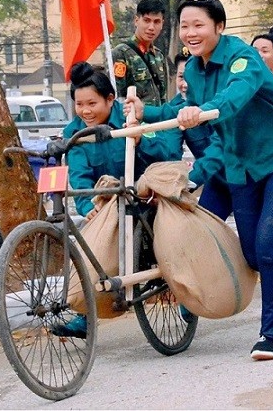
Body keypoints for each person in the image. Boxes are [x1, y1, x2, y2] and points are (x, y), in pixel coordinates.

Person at [127, 0, 273, 360]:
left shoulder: (242, 58)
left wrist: (203, 110)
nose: (190, 34)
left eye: (199, 25)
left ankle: (271, 335)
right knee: (251, 254)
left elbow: (235, 96)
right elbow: (184, 107)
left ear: (219, 27)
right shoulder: (194, 71)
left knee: (264, 244)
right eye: (184, 26)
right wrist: (147, 113)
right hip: (241, 166)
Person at [52, 62, 180, 339]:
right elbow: (79, 177)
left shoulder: (130, 119)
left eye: (92, 103)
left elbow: (165, 154)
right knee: (90, 245)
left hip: (143, 197)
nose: (85, 111)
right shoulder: (73, 134)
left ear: (110, 99)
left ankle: (184, 288)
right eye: (79, 104)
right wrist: (88, 208)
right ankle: (85, 314)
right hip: (104, 202)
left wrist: (138, 140)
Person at [112, 0, 169, 106]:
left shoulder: (159, 56)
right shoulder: (121, 54)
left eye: (156, 22)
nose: (151, 27)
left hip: (159, 120)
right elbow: (116, 98)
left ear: (162, 24)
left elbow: (163, 96)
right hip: (134, 121)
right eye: (146, 20)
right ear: (136, 20)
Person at [168, 51, 212, 159]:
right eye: (181, 77)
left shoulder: (219, 101)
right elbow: (171, 151)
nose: (186, 84)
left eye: (193, 77)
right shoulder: (172, 109)